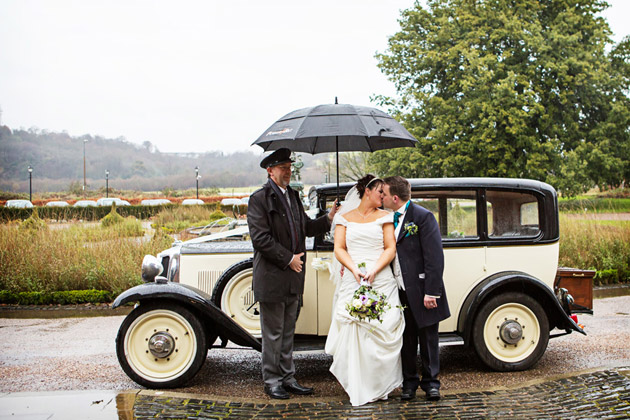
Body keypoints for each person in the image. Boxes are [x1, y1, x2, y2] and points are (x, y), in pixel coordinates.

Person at [247, 148, 337, 400]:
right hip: (273, 277)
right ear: (270, 171)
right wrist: (289, 259)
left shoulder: (294, 196)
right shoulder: (259, 199)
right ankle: (272, 381)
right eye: (283, 167)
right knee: (273, 334)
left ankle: (288, 377)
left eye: (289, 166)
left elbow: (306, 227)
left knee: (288, 332)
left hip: (294, 277)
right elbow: (260, 239)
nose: (288, 171)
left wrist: (329, 217)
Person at [325, 174, 405, 406]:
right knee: (354, 330)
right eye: (380, 191)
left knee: (383, 325)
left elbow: (390, 248)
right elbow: (340, 249)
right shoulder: (344, 218)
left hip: (380, 279)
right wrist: (354, 270)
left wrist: (374, 271)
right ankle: (357, 383)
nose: (383, 196)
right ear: (367, 191)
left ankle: (380, 385)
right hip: (354, 278)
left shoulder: (386, 217)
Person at [381, 176, 450, 401]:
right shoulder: (386, 218)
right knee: (406, 338)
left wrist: (432, 291)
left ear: (395, 197)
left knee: (428, 338)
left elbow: (434, 257)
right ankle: (409, 383)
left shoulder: (422, 217)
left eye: (384, 193)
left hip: (423, 290)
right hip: (399, 290)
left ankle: (431, 383)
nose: (381, 197)